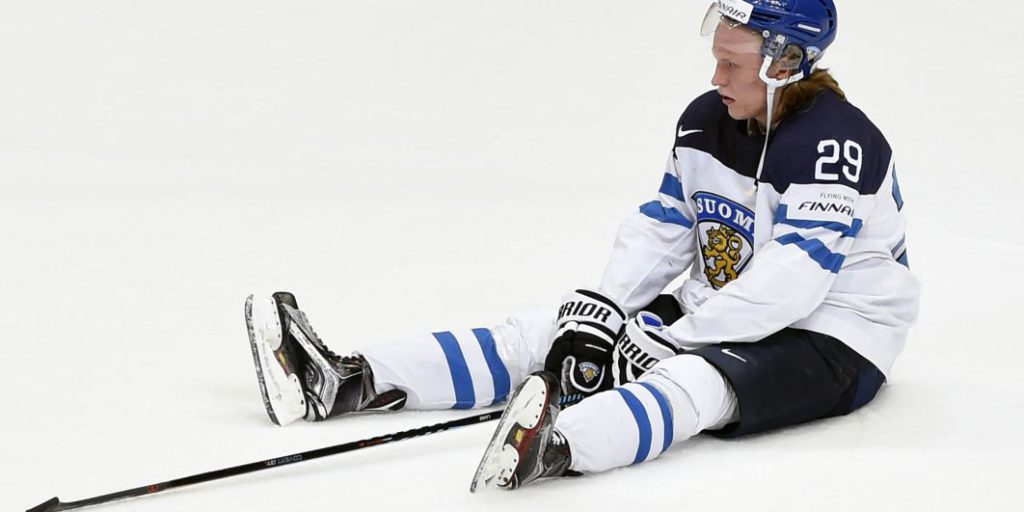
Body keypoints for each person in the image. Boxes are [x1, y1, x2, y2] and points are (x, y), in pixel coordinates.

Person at [244, 0, 919, 491]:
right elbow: (663, 225)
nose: (717, 77)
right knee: (545, 331)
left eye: (732, 65)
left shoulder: (837, 143)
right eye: (716, 60)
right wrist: (602, 309)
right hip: (725, 307)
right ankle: (344, 381)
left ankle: (556, 446)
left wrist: (676, 339)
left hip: (834, 337)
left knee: (697, 382)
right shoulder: (706, 120)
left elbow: (794, 280)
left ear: (787, 63)